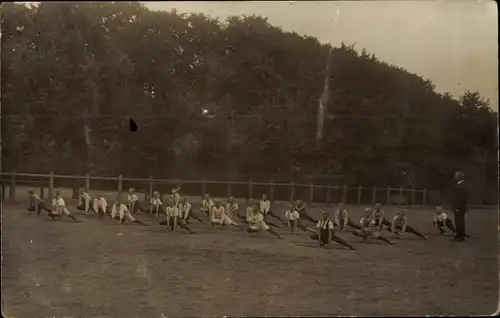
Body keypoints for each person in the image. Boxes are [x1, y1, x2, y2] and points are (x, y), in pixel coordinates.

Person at [450, 171, 468, 242]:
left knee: (459, 222)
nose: (454, 177)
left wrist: (458, 206)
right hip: (459, 206)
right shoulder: (460, 184)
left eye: (456, 175)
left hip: (459, 207)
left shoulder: (462, 185)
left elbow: (462, 198)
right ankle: (459, 234)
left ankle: (460, 236)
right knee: (458, 221)